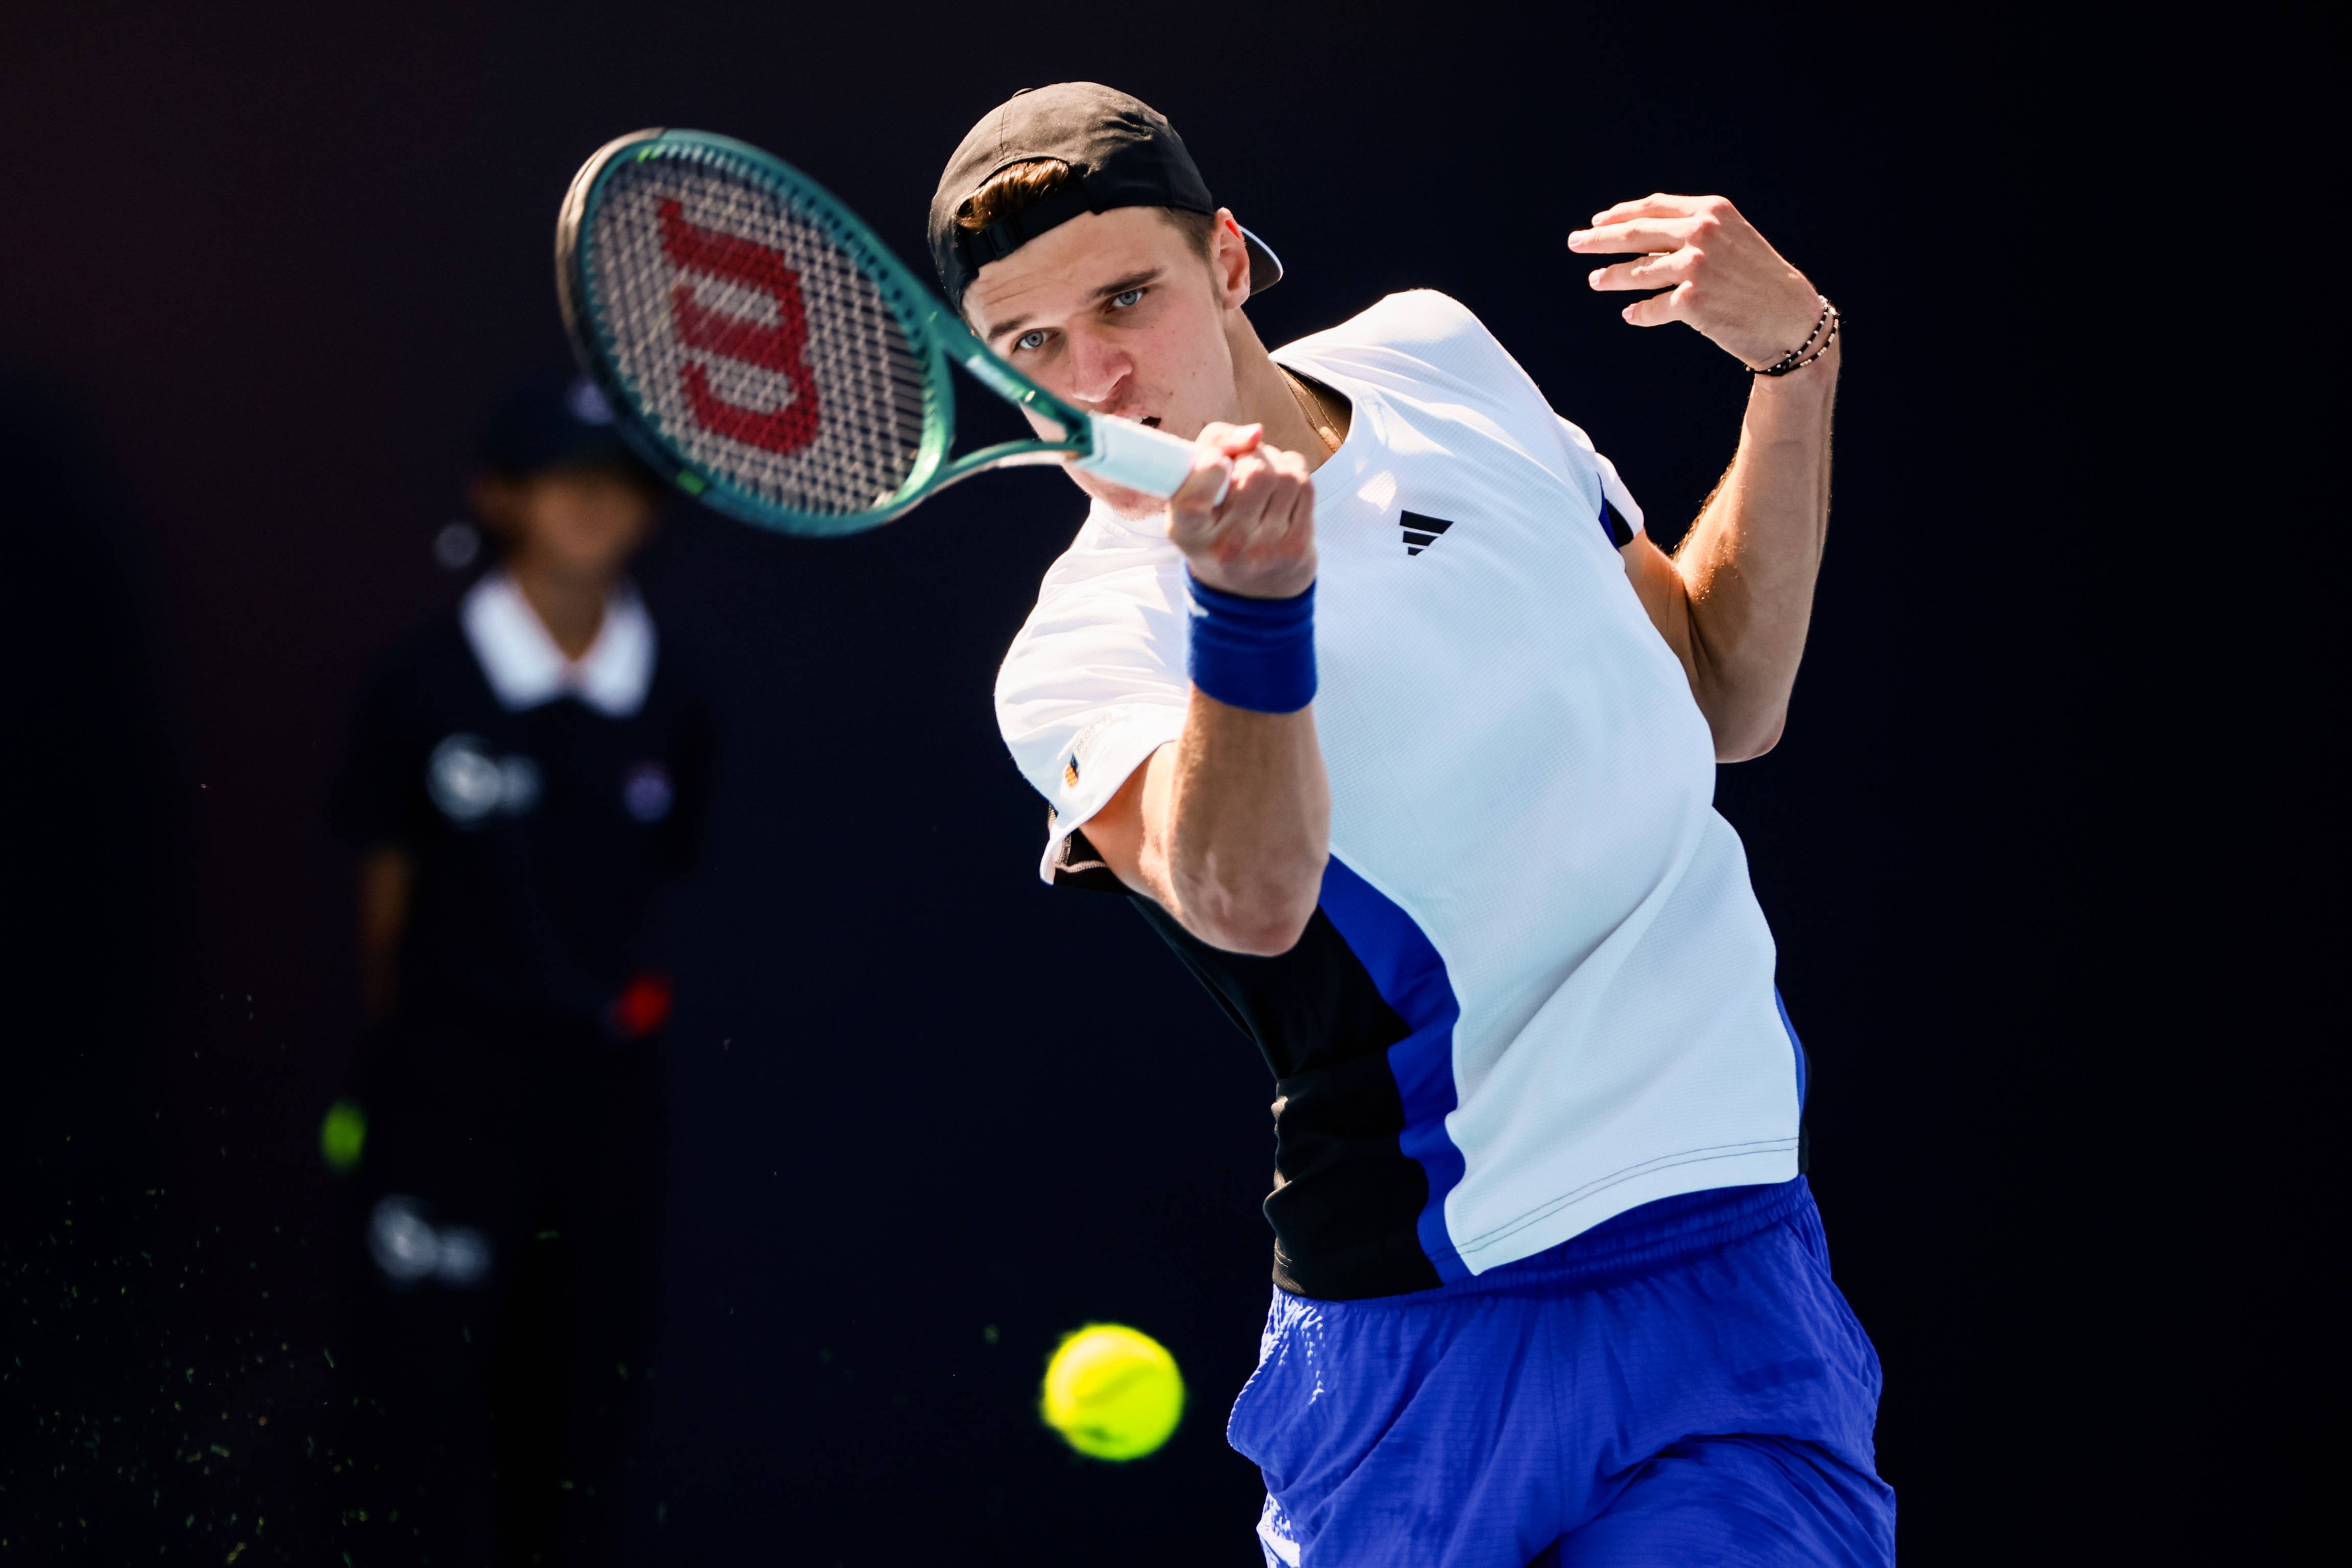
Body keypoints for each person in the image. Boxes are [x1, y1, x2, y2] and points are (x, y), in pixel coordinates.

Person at [932, 84, 1889, 1565]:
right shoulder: (1077, 653)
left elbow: (1715, 695)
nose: (1098, 376)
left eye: (1128, 296)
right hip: (1421, 1348)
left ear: (1229, 263)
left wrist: (1793, 365)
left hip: (1729, 1278)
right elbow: (1242, 900)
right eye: (1032, 347)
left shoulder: (1434, 357)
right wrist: (1249, 620)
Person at [327, 368, 712, 1563]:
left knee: (584, 1409)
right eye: (562, 481)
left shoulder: (679, 699)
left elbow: (657, 882)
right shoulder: (420, 684)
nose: (593, 508)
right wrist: (420, 1065)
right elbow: (382, 908)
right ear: (500, 496)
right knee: (420, 1407)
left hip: (605, 1099)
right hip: (447, 1089)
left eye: (619, 484)